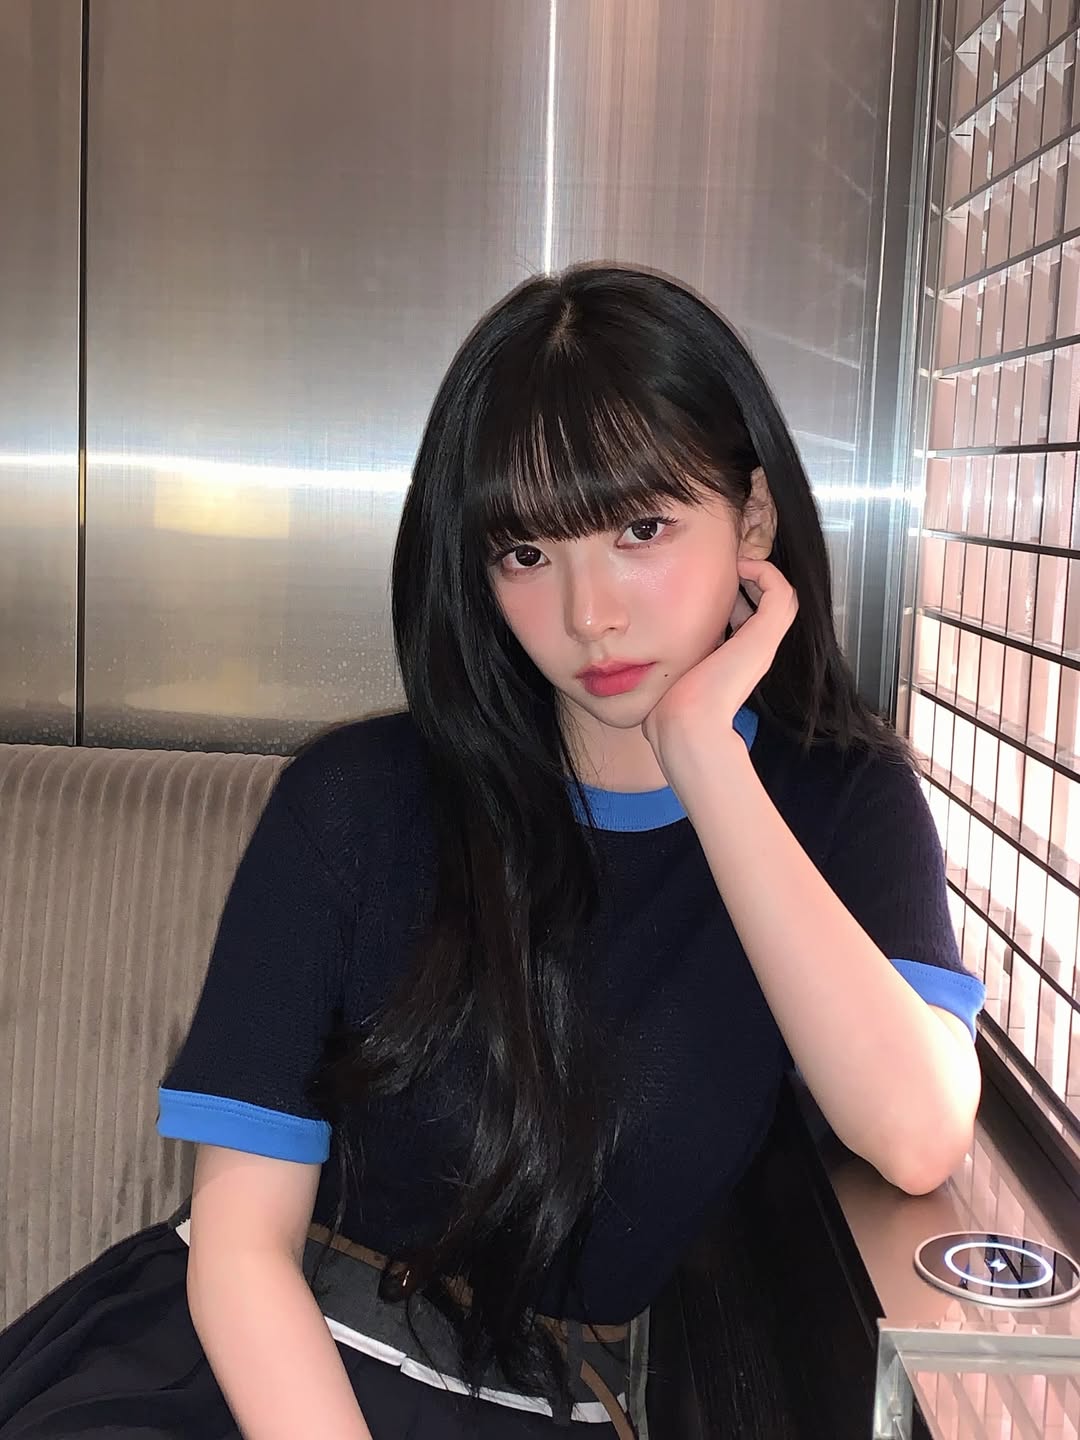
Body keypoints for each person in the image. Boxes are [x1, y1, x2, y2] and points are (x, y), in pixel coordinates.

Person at [0, 264, 985, 1439]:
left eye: (642, 529)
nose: (589, 614)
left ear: (755, 521)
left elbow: (916, 1132)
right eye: (526, 553)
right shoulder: (356, 801)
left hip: (540, 1401)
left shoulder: (841, 807)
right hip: (246, 1378)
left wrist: (704, 759)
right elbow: (239, 1248)